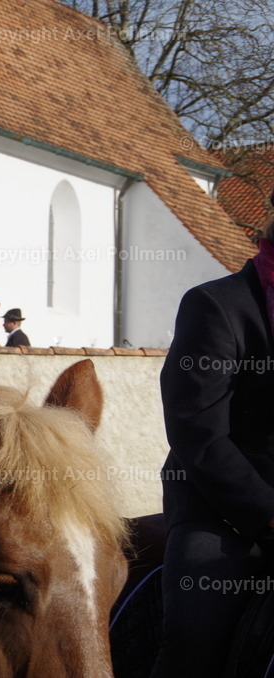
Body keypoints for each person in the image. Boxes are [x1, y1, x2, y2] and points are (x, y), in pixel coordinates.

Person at [151, 205, 274, 677]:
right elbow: (197, 431)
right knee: (196, 633)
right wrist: (268, 511)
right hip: (223, 509)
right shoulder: (217, 304)